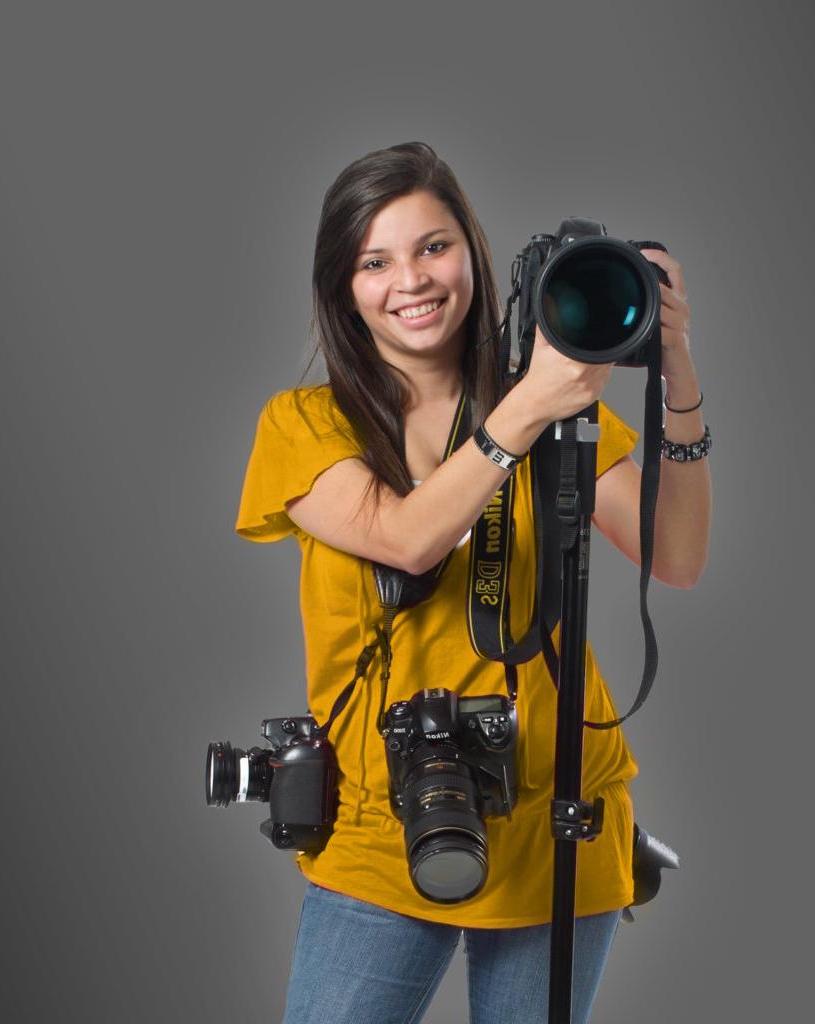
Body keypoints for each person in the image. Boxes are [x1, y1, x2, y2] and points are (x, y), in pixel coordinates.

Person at [235, 141, 711, 1024]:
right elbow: (408, 541)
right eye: (375, 261)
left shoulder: (558, 410)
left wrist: (675, 362)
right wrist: (525, 408)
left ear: (474, 254)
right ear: (343, 286)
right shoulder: (305, 424)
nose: (411, 280)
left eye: (433, 246)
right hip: (391, 817)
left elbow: (675, 556)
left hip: (556, 811)